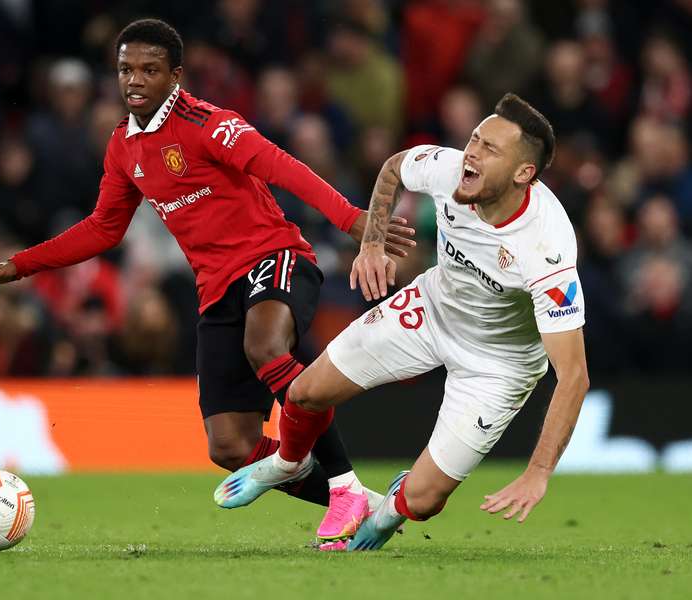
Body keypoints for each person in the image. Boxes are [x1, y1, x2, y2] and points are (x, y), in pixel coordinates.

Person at [0, 19, 415, 542]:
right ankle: (369, 504)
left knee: (265, 345)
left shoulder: (207, 122)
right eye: (126, 69)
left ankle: (345, 486)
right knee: (231, 446)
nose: (135, 80)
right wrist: (16, 265)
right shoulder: (123, 147)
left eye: (150, 70)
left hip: (275, 256)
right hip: (216, 289)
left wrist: (354, 219)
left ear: (175, 76)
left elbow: (280, 165)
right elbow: (104, 229)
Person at [215, 94, 590, 552]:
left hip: (497, 365)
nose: (471, 152)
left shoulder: (547, 250)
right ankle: (290, 461)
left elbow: (573, 376)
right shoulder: (450, 168)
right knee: (305, 393)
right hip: (431, 309)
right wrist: (372, 242)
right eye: (474, 139)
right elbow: (394, 167)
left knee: (426, 499)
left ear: (523, 173)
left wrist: (537, 473)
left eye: (490, 149)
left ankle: (387, 511)